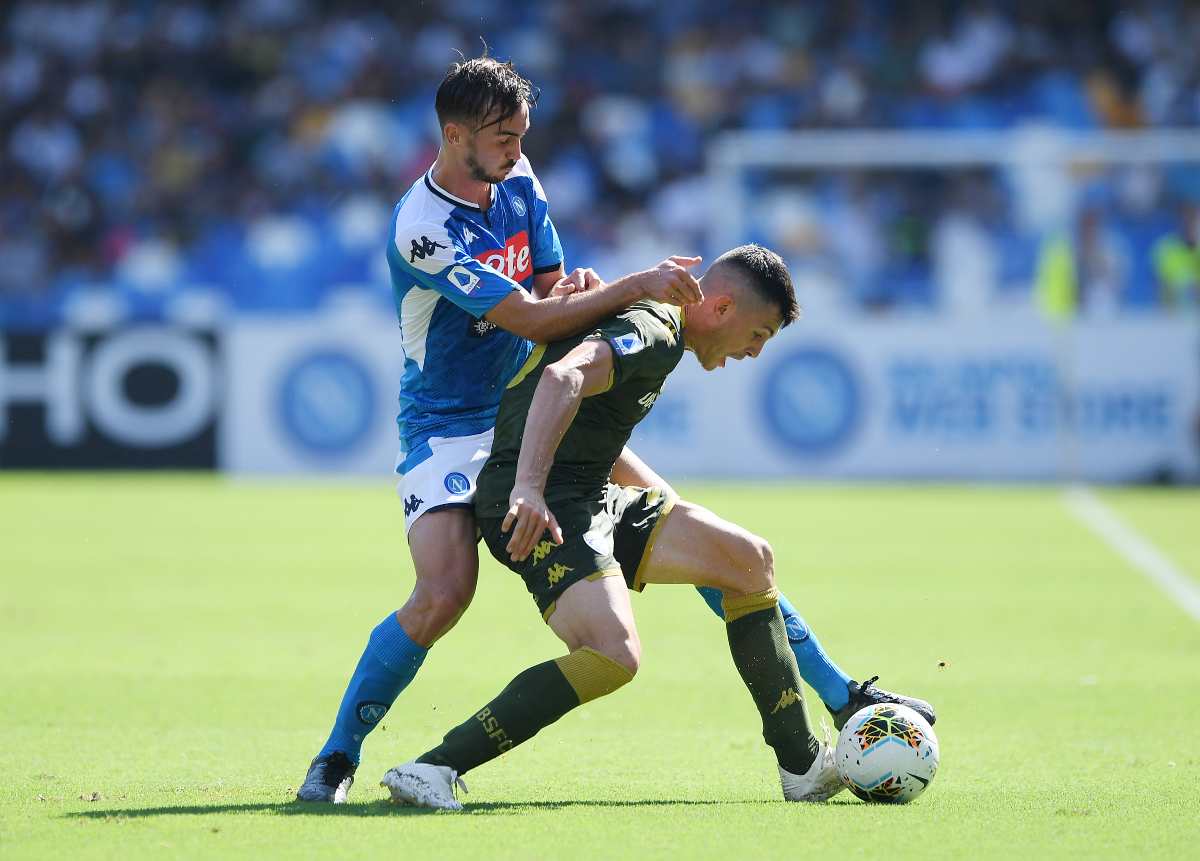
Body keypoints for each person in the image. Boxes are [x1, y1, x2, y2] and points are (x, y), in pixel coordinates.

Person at [298, 57, 931, 803]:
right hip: (450, 424)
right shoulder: (421, 228)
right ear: (454, 133)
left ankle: (839, 695)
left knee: (701, 535)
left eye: (521, 135)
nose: (516, 150)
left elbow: (546, 291)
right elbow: (534, 317)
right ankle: (337, 758)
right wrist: (636, 285)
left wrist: (586, 298)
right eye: (502, 138)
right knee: (444, 593)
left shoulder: (518, 179)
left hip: (538, 403)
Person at [380, 245, 935, 809]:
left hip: (590, 495)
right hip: (539, 504)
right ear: (720, 308)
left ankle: (802, 767)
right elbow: (560, 379)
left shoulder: (659, 326)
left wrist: (673, 515)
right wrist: (527, 486)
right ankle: (434, 767)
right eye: (759, 333)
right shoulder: (656, 329)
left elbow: (590, 419)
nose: (754, 352)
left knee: (746, 560)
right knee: (613, 655)